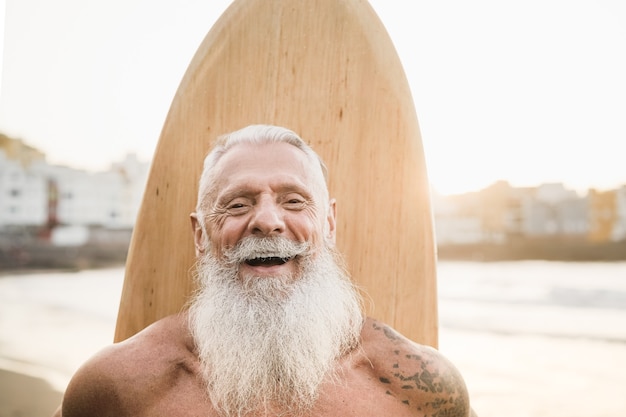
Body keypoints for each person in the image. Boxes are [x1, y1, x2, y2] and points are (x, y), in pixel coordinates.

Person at [55, 124, 475, 417]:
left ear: (328, 225)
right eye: (238, 204)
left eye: (294, 201)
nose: (267, 221)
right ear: (201, 234)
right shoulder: (119, 388)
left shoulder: (415, 386)